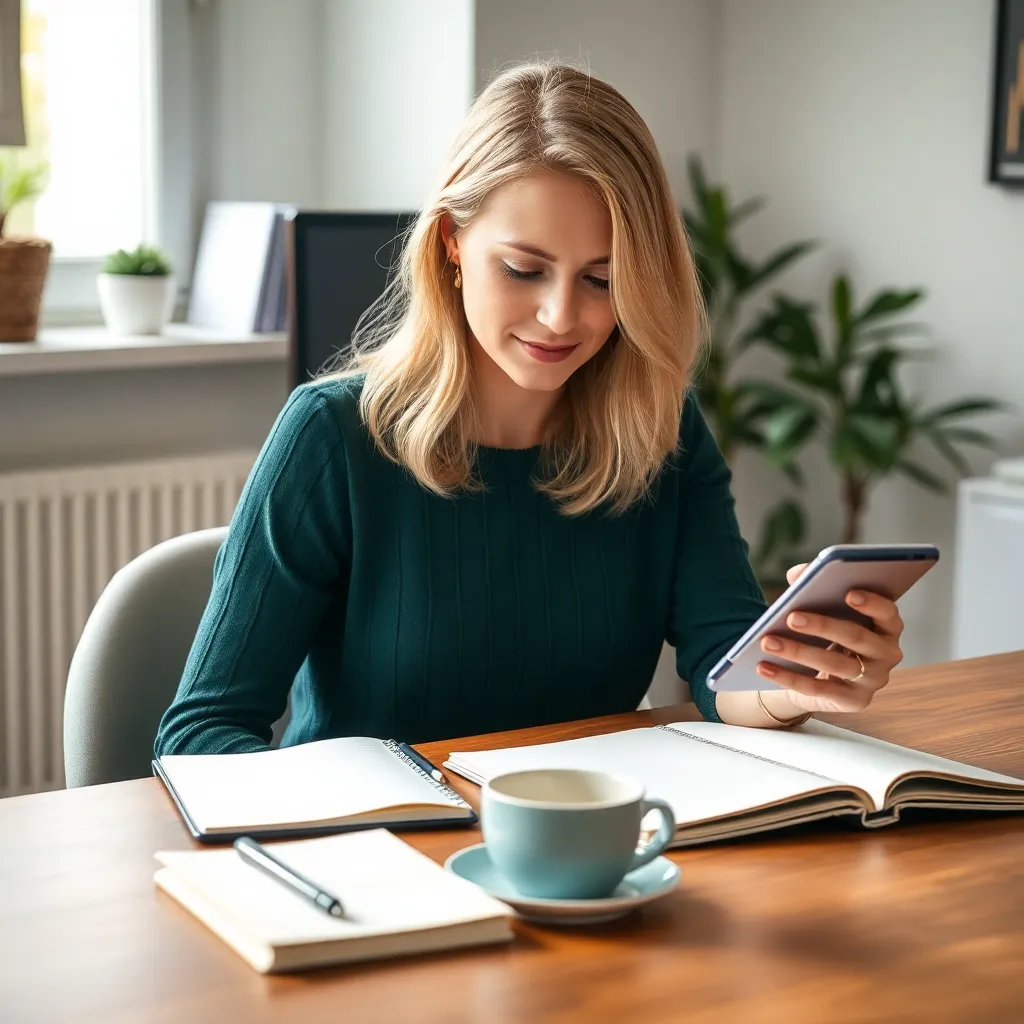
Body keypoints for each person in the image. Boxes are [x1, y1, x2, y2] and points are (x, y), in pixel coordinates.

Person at [155, 62, 904, 757]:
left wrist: (796, 680)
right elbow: (201, 731)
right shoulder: (331, 436)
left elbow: (724, 672)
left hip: (587, 857)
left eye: (602, 281)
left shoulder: (661, 431)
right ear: (451, 241)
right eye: (523, 269)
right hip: (377, 866)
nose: (558, 317)